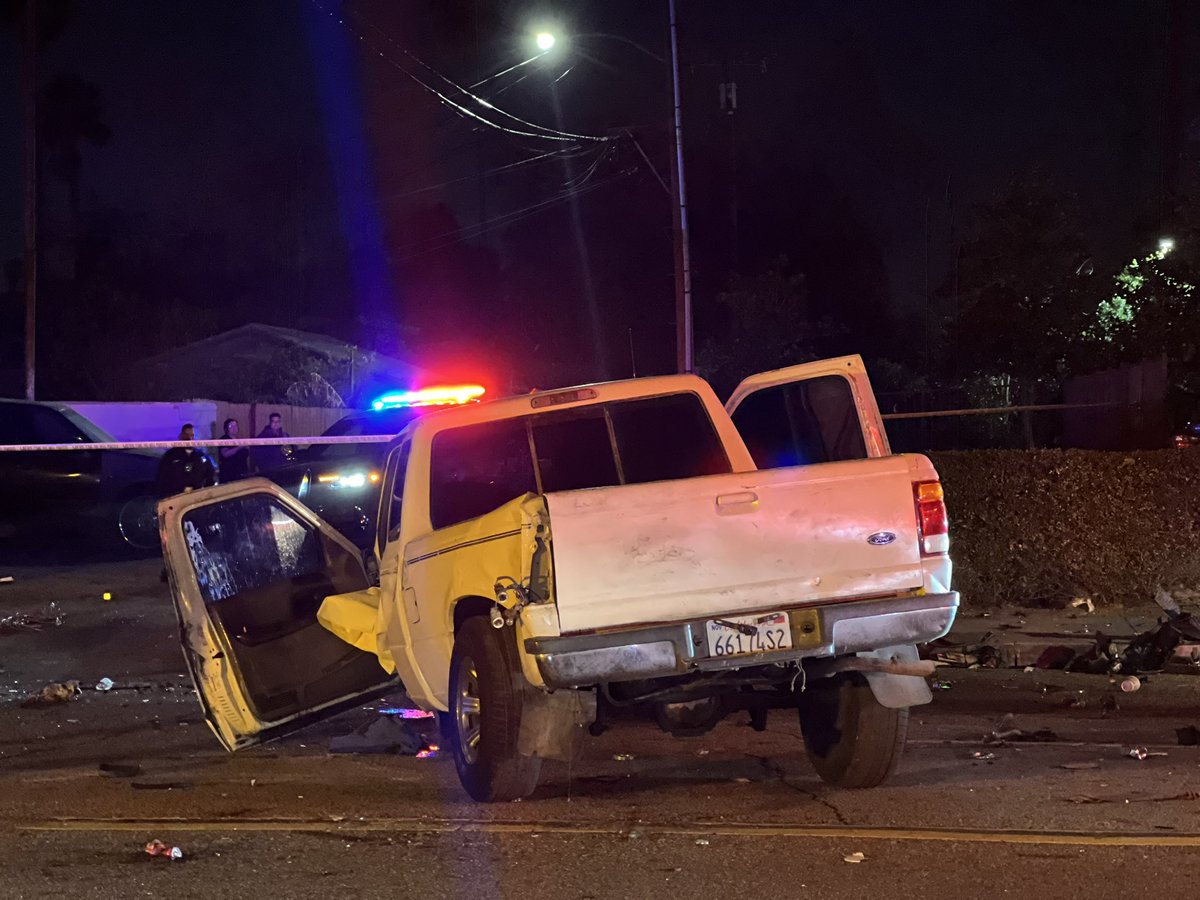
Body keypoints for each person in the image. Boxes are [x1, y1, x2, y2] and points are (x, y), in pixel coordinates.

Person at [156, 424, 216, 498]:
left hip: (197, 498)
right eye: (187, 435)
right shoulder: (170, 456)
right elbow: (162, 478)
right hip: (175, 497)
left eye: (192, 436)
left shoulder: (201, 456)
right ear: (181, 436)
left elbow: (210, 478)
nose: (190, 438)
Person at [217, 418, 250, 482]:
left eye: (235, 426)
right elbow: (225, 454)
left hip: (241, 474)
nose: (234, 428)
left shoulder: (239, 440)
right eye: (231, 426)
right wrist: (239, 447)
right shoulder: (224, 439)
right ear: (226, 429)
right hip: (229, 474)